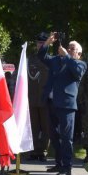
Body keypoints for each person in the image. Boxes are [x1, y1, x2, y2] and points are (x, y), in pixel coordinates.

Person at [38, 33, 87, 175]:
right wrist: (47, 43)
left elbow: (77, 73)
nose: (70, 50)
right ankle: (59, 164)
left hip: (66, 105)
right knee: (54, 135)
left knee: (66, 137)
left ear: (79, 53)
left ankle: (67, 167)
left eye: (73, 49)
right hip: (51, 102)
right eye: (69, 48)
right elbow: (42, 56)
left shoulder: (80, 64)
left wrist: (67, 56)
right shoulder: (57, 60)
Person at [27, 32, 51, 161]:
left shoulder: (50, 59)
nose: (40, 45)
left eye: (43, 43)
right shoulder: (30, 59)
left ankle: (43, 151)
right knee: (33, 127)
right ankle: (34, 151)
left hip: (45, 99)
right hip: (31, 98)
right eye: (39, 43)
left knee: (46, 127)